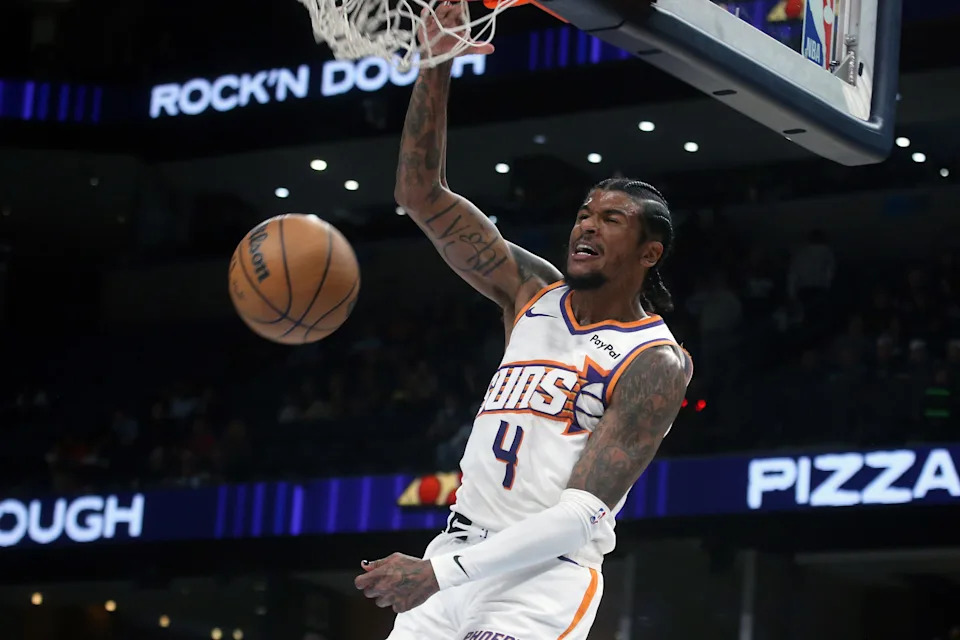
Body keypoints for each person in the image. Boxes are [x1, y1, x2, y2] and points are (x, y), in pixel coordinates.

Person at [355, 4, 693, 639]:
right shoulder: (529, 292)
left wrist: (438, 575)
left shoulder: (654, 359)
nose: (588, 224)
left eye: (612, 219)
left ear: (650, 253)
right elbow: (420, 195)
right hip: (455, 554)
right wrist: (436, 63)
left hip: (542, 577)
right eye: (585, 212)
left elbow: (580, 516)